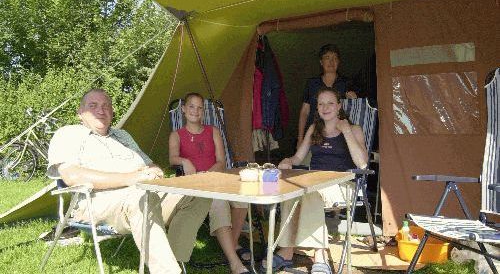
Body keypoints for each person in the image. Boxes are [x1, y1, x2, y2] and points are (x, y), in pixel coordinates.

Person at [47, 88, 211, 274]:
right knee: (142, 198)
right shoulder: (69, 134)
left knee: (198, 196)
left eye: (106, 106)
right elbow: (72, 176)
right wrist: (131, 178)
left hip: (145, 193)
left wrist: (155, 171)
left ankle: (172, 257)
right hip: (99, 203)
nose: (101, 110)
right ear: (80, 113)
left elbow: (149, 164)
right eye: (93, 106)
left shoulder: (123, 136)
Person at [265, 87, 368, 273]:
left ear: (339, 106)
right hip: (316, 182)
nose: (325, 107)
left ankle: (319, 255)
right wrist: (287, 161)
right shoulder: (314, 129)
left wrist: (346, 132)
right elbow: (297, 158)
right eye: (321, 104)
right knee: (292, 192)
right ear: (317, 108)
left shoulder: (354, 129)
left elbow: (362, 164)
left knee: (310, 193)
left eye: (330, 103)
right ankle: (288, 251)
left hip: (344, 185)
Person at [168, 92, 250, 274]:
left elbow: (221, 161)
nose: (195, 111)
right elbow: (172, 158)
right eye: (191, 106)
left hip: (215, 177)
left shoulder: (213, 130)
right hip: (194, 184)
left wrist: (209, 175)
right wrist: (184, 160)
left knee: (242, 200)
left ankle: (232, 244)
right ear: (183, 109)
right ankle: (234, 262)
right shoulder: (176, 135)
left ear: (203, 111)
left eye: (199, 108)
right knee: (219, 202)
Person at [297, 44, 358, 149]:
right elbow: (304, 112)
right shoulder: (312, 83)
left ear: (338, 62)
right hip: (314, 136)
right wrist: (300, 139)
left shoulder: (347, 83)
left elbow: (354, 110)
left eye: (335, 58)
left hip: (339, 137)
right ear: (321, 62)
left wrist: (354, 100)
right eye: (327, 58)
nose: (331, 62)